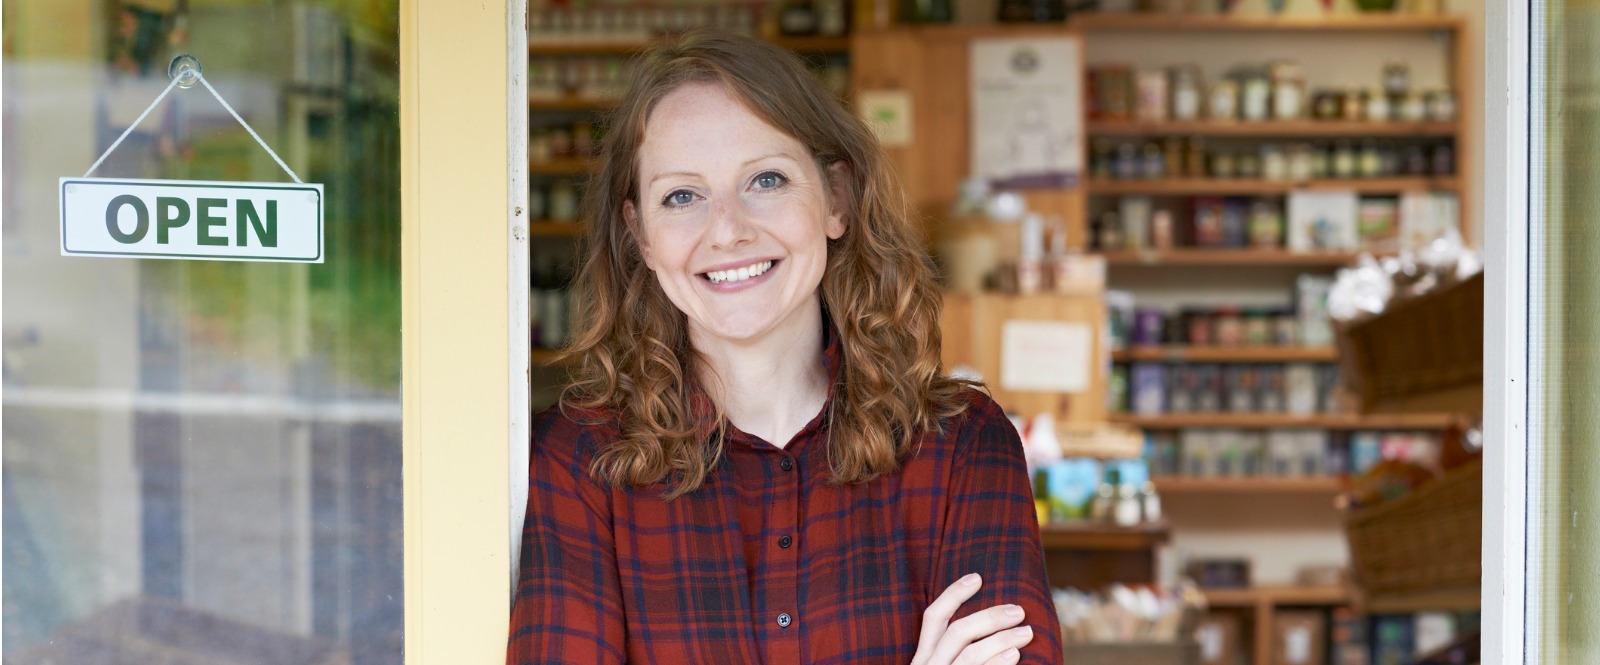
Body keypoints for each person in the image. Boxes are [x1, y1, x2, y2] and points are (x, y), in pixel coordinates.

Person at [508, 30, 1063, 665]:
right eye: (681, 196)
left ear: (837, 200)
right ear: (641, 237)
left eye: (766, 180)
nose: (727, 230)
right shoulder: (581, 461)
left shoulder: (962, 444)